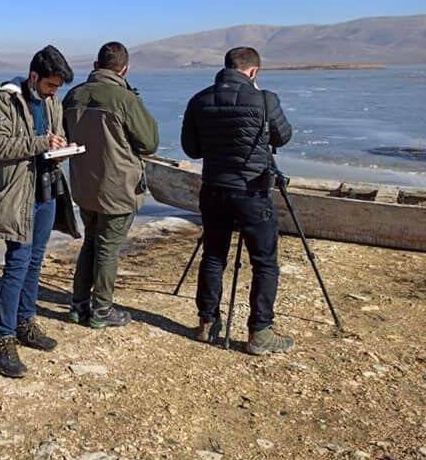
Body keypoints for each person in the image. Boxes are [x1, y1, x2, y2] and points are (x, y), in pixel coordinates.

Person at [181, 46, 294, 354]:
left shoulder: (200, 99)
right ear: (253, 71)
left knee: (214, 255)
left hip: (214, 188)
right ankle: (260, 332)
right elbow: (283, 136)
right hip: (251, 190)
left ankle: (207, 323)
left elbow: (191, 149)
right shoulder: (264, 99)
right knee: (265, 262)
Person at [0, 45, 79, 378]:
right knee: (17, 264)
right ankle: (3, 339)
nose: (53, 93)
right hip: (17, 195)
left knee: (36, 260)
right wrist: (41, 144)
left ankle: (26, 322)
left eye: (57, 88)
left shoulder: (52, 102)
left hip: (47, 190)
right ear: (34, 77)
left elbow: (56, 135)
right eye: (50, 85)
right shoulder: (4, 101)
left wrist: (62, 148)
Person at [63, 41, 159, 328]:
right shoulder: (125, 99)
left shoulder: (73, 96)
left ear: (96, 65)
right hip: (117, 187)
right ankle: (101, 311)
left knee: (91, 242)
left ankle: (79, 305)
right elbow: (149, 142)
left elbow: (63, 135)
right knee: (107, 248)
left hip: (84, 185)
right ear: (124, 69)